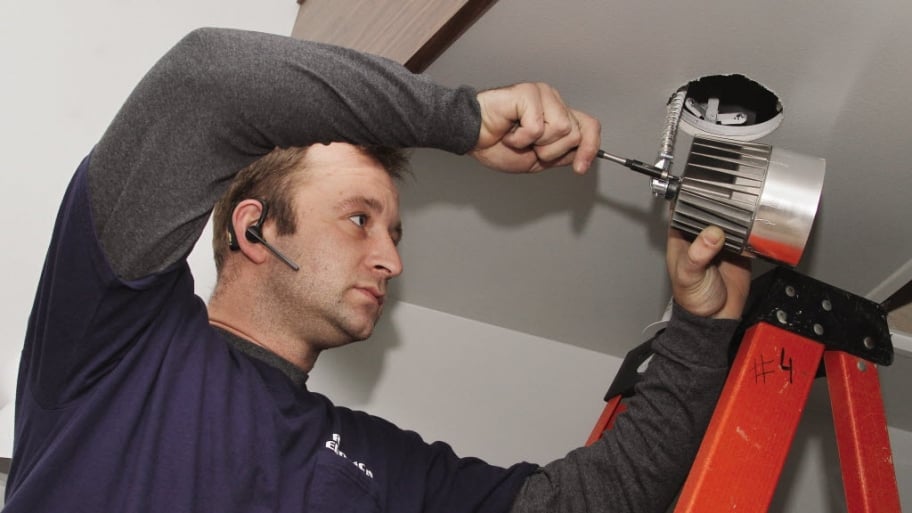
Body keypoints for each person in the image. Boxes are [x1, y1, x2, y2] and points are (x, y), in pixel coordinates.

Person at [5, 28, 750, 513]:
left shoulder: (377, 466)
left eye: (393, 231)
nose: (392, 258)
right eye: (359, 219)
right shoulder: (118, 340)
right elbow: (203, 82)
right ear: (254, 227)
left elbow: (594, 501)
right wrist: (456, 121)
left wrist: (702, 326)